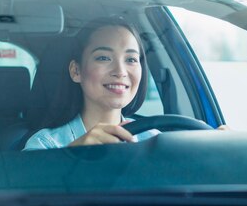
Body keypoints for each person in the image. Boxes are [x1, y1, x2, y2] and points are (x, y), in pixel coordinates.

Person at [24, 18, 154, 150]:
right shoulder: (44, 145)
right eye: (103, 58)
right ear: (76, 71)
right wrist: (70, 157)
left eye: (131, 59)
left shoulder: (154, 140)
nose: (120, 72)